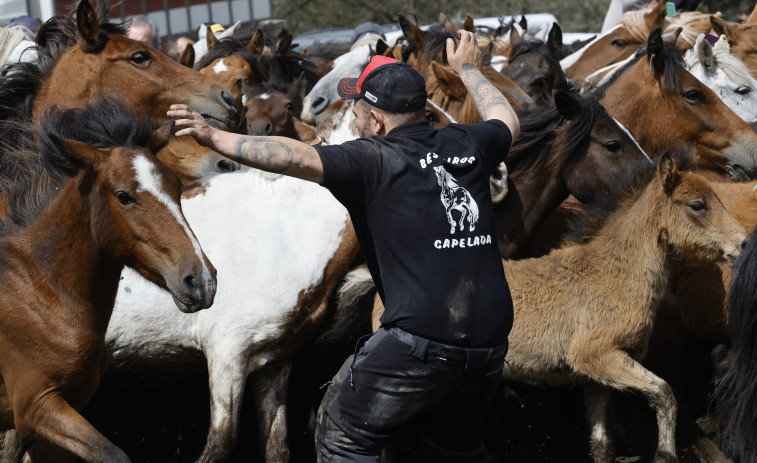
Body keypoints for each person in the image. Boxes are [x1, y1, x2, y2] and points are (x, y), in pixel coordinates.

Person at [168, 29, 518, 462]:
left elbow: (292, 155)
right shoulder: (469, 142)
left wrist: (213, 137)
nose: (352, 117)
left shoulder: (370, 158)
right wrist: (469, 70)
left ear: (376, 121)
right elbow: (507, 119)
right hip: (490, 340)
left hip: (423, 340)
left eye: (357, 108)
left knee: (341, 432)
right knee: (456, 447)